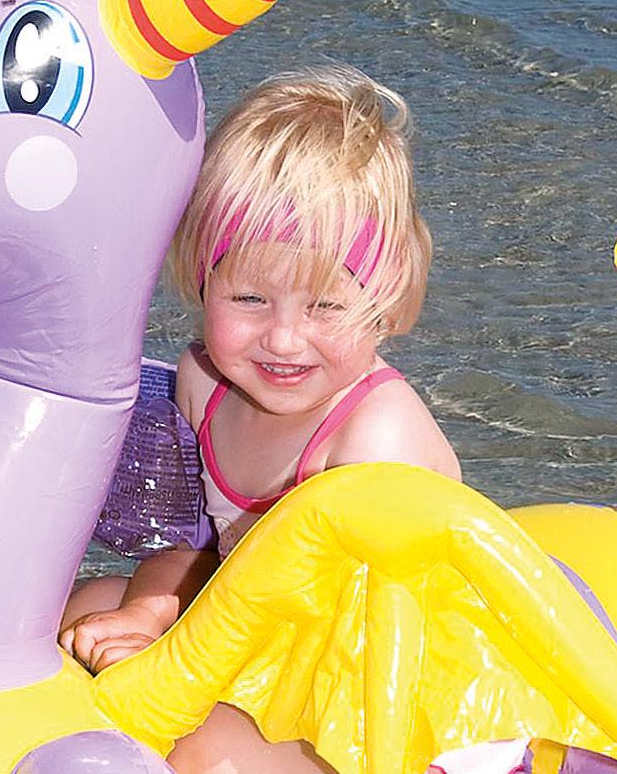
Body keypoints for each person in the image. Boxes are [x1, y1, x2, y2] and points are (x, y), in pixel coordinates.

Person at [60, 64, 461, 773]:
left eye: (326, 306)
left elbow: (358, 643)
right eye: (249, 299)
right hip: (251, 641)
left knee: (205, 750)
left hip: (366, 685)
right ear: (203, 277)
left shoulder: (374, 438)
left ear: (388, 297)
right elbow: (194, 548)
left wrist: (175, 667)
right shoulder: (203, 383)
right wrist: (146, 615)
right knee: (80, 610)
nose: (283, 339)